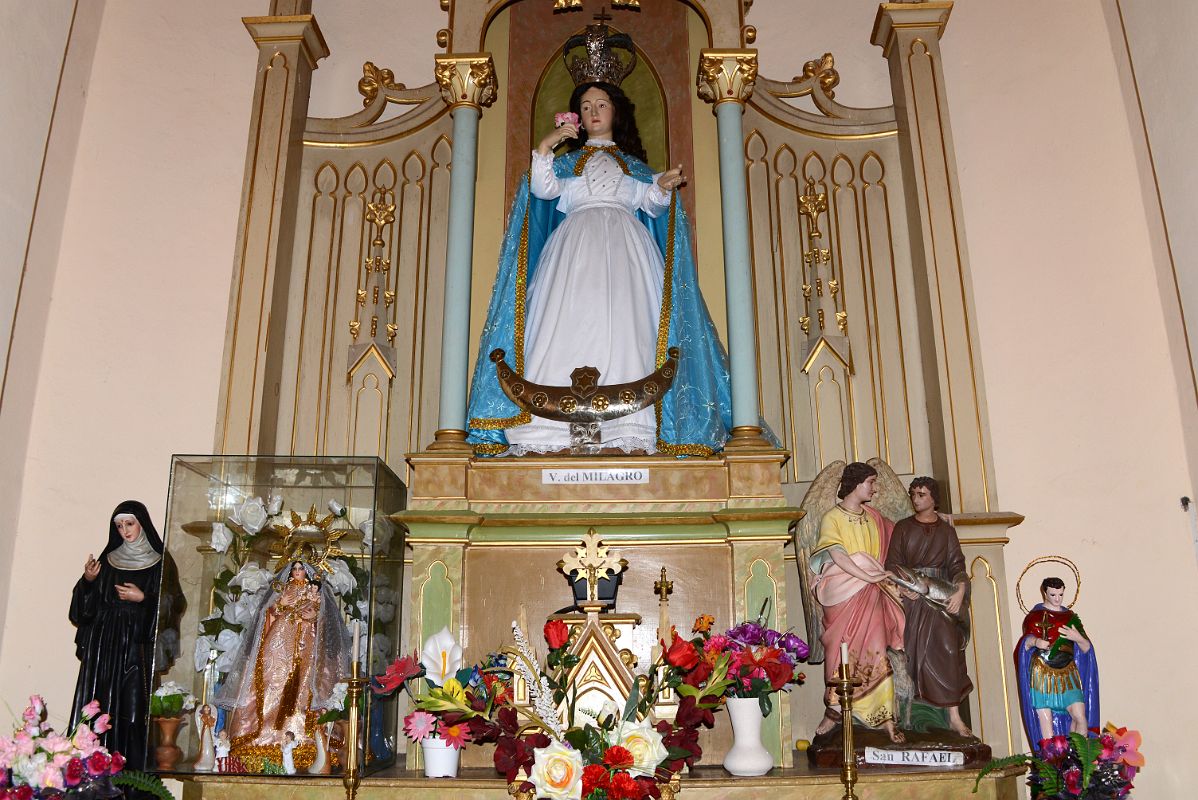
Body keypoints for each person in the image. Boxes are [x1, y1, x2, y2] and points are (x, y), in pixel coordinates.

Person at [467, 79, 731, 456]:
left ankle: (630, 427)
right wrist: (546, 145)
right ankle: (548, 431)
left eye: (602, 104)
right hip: (572, 251)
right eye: (586, 106)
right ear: (577, 115)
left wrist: (664, 187)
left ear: (615, 112)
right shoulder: (567, 165)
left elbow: (651, 203)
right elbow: (543, 189)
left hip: (628, 252)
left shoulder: (635, 170)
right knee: (567, 320)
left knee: (629, 323)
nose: (594, 112)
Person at [216, 560, 350, 771]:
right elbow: (268, 613)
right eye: (294, 569)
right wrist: (281, 605)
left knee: (305, 686)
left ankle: (308, 739)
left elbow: (325, 618)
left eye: (301, 569)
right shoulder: (284, 589)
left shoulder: (313, 590)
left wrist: (314, 616)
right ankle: (267, 733)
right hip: (280, 642)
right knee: (273, 681)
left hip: (307, 641)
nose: (297, 572)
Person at [810, 462, 907, 743]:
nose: (875, 489)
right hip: (842, 592)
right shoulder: (833, 518)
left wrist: (938, 519)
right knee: (839, 653)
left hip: (870, 592)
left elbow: (904, 533)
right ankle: (835, 710)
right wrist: (868, 575)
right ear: (856, 483)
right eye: (871, 483)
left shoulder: (875, 517)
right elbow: (838, 557)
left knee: (877, 650)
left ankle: (886, 717)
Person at [69, 501, 165, 769]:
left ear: (142, 523)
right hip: (105, 644)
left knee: (132, 711)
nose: (124, 530)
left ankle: (132, 782)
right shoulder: (108, 560)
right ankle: (92, 775)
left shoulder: (159, 562)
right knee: (98, 705)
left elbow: (173, 604)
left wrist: (143, 598)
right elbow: (84, 611)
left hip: (136, 647)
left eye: (129, 524)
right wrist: (88, 581)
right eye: (119, 526)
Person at [884, 477, 974, 737]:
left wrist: (959, 590)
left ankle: (954, 716)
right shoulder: (903, 527)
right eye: (913, 494)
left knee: (948, 649)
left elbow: (957, 565)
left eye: (922, 494)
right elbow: (892, 564)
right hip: (912, 599)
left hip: (940, 599)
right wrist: (902, 587)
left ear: (934, 498)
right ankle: (908, 716)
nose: (916, 499)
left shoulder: (946, 531)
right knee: (909, 653)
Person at [1015, 577, 1099, 749]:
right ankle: (1051, 764)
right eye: (1053, 594)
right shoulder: (1034, 617)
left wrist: (1077, 638)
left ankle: (1077, 757)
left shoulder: (1070, 617)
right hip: (1043, 672)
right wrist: (1035, 642)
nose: (1057, 599)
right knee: (1046, 724)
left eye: (1060, 594)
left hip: (1068, 671)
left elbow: (1086, 647)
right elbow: (1026, 641)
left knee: (1080, 716)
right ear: (1044, 593)